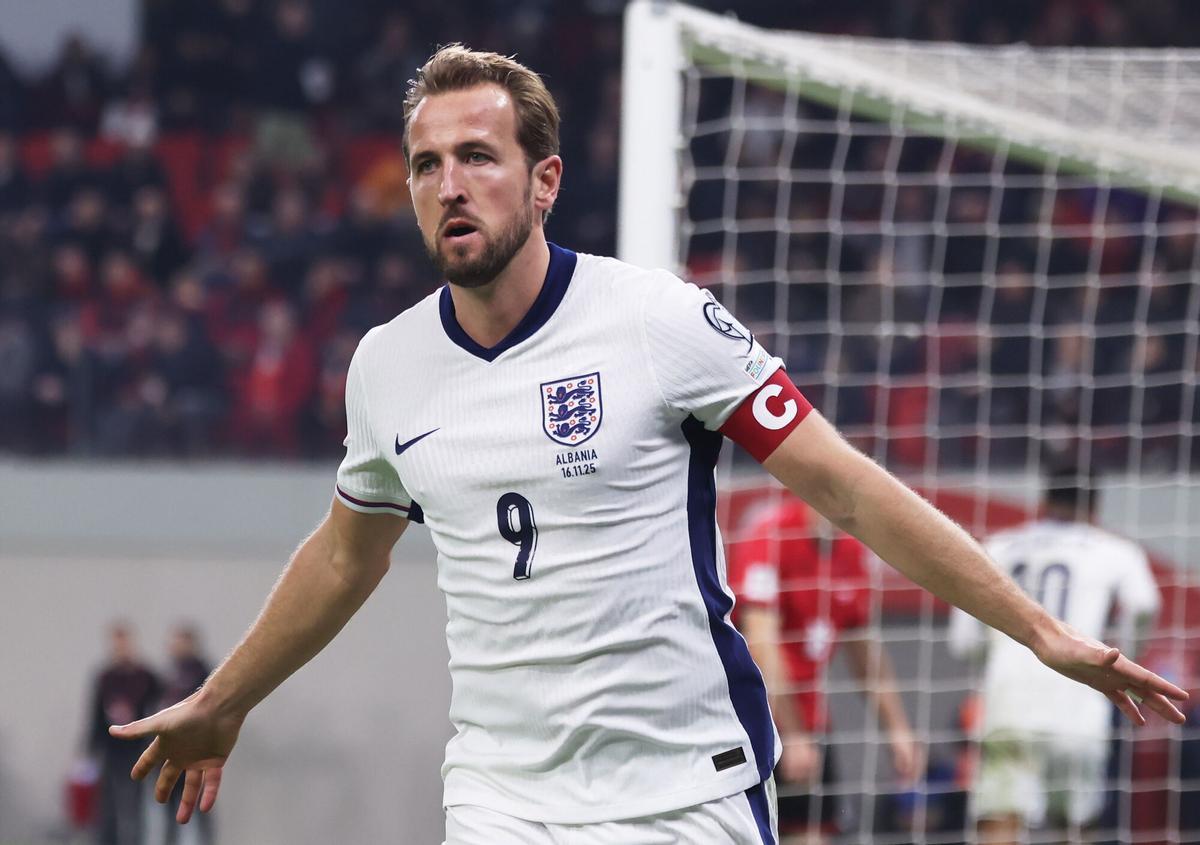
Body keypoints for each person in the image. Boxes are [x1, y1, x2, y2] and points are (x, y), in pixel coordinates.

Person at [109, 45, 1187, 845]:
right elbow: (345, 554)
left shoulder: (661, 322)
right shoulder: (386, 366)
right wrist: (225, 697)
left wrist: (1038, 628)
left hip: (686, 787)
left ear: (544, 181)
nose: (449, 184)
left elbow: (850, 492)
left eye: (477, 156)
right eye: (426, 163)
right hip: (501, 795)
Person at [947, 467, 1162, 845]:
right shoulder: (1115, 550)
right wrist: (1122, 661)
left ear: (1043, 502)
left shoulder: (999, 546)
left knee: (1000, 820)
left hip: (1007, 705)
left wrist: (994, 660)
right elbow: (1144, 604)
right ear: (1095, 509)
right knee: (1075, 828)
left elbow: (963, 641)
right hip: (1078, 710)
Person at [728, 496, 920, 841]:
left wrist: (898, 730)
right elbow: (761, 644)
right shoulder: (770, 537)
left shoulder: (852, 551)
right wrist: (792, 733)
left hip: (811, 722)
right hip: (752, 719)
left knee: (812, 834)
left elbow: (865, 658)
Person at [88, 622, 162, 845]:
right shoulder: (104, 677)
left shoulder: (145, 676)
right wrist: (91, 749)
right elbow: (95, 716)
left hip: (136, 749)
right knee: (107, 806)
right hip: (111, 750)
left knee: (135, 804)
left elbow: (160, 707)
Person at [158, 625, 214, 845]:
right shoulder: (168, 673)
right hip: (173, 752)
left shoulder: (203, 671)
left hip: (197, 751)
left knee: (201, 805)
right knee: (170, 809)